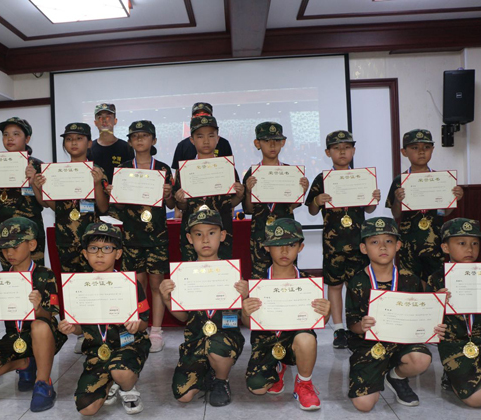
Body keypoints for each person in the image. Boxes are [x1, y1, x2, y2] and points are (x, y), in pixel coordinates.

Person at [0, 218, 66, 412]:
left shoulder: (45, 274)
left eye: (15, 246)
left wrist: (38, 308)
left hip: (45, 336)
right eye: (4, 248)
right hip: (14, 337)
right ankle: (25, 363)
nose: (9, 253)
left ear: (31, 245)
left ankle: (43, 383)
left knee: (39, 325)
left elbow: (51, 316)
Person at [346, 217, 446, 412]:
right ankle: (373, 372)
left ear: (398, 245)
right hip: (369, 346)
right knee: (364, 405)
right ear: (364, 248)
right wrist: (361, 326)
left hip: (403, 343)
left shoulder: (410, 279)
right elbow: (352, 324)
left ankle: (396, 376)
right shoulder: (357, 282)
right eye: (374, 242)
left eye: (389, 241)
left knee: (421, 359)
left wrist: (432, 324)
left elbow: (420, 315)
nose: (383, 247)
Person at [58, 223, 150, 415]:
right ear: (85, 253)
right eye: (93, 248)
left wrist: (136, 325)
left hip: (128, 345)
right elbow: (79, 327)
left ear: (118, 253)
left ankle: (127, 389)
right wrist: (71, 328)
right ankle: (111, 382)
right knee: (86, 408)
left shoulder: (129, 283)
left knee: (121, 370)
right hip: (97, 350)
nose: (99, 254)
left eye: (107, 248)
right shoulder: (77, 286)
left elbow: (144, 323)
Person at [159, 209, 247, 407]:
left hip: (225, 339)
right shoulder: (183, 274)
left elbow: (246, 319)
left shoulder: (231, 273)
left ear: (222, 236)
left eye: (211, 233)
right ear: (190, 239)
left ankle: (221, 380)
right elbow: (183, 318)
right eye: (198, 234)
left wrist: (245, 298)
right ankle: (208, 371)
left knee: (217, 347)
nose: (205, 239)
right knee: (183, 395)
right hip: (196, 340)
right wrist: (166, 299)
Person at [34, 122, 109, 354]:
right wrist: (37, 187)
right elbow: (50, 205)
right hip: (65, 238)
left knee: (94, 286)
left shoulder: (98, 171)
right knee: (73, 287)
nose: (73, 143)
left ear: (89, 142)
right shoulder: (56, 172)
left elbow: (103, 207)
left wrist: (97, 183)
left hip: (92, 241)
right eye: (68, 139)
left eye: (79, 138)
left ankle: (99, 330)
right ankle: (81, 332)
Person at [242, 218, 330, 410]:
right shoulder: (257, 283)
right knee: (257, 388)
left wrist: (326, 312)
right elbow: (248, 323)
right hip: (266, 342)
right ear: (267, 247)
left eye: (291, 245)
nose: (284, 251)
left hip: (294, 340)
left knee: (307, 339)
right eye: (277, 245)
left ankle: (304, 383)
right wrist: (245, 312)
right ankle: (278, 368)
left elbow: (319, 319)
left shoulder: (308, 282)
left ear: (300, 247)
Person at [305, 130, 380, 349]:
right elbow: (311, 211)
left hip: (358, 243)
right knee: (335, 285)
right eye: (337, 148)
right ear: (328, 152)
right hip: (333, 244)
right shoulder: (322, 179)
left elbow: (369, 208)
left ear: (353, 150)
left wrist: (374, 199)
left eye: (347, 147)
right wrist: (317, 201)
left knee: (358, 285)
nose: (342, 152)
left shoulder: (362, 178)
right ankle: (339, 329)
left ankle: (357, 326)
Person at [107, 120, 175, 352]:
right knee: (137, 285)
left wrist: (168, 194)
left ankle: (156, 331)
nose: (139, 139)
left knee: (156, 285)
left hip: (157, 237)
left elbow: (172, 204)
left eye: (144, 135)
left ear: (153, 140)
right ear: (129, 142)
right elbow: (117, 208)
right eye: (135, 136)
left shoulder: (163, 169)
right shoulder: (123, 169)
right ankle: (140, 329)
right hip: (131, 238)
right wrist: (113, 194)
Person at [427, 218, 481, 407]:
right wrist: (437, 302)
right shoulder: (437, 279)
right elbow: (428, 323)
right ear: (445, 247)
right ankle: (452, 376)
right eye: (462, 243)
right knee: (478, 400)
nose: (470, 249)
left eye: (475, 243)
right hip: (454, 346)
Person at [386, 129, 464, 283]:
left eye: (426, 147)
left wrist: (455, 198)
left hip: (434, 241)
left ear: (432, 150)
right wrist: (398, 200)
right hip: (409, 243)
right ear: (404, 152)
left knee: (434, 282)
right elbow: (396, 214)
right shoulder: (399, 180)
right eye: (415, 148)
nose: (421, 152)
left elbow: (444, 213)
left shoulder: (441, 179)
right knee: (410, 283)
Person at [0, 117, 47, 270]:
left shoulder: (37, 165)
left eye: (16, 134)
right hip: (4, 233)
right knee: (10, 275)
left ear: (27, 138)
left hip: (31, 233)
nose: (10, 138)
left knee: (35, 274)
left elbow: (45, 203)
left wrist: (34, 182)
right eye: (5, 134)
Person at [242, 122, 309, 279]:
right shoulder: (252, 173)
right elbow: (249, 209)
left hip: (287, 236)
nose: (272, 145)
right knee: (260, 278)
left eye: (277, 140)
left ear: (283, 143)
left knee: (287, 276)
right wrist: (248, 191)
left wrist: (302, 191)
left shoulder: (290, 172)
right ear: (257, 143)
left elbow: (293, 205)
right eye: (266, 141)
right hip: (260, 234)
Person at [173, 116, 244, 261]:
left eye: (211, 136)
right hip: (193, 233)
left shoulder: (226, 168)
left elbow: (231, 203)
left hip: (221, 232)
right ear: (192, 140)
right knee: (192, 271)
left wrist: (240, 195)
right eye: (200, 136)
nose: (206, 141)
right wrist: (180, 201)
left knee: (221, 270)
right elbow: (182, 206)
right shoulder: (185, 170)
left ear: (218, 138)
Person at [170, 102, 233, 170]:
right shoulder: (182, 145)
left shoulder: (223, 143)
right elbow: (178, 172)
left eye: (205, 115)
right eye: (197, 115)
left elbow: (230, 169)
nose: (202, 118)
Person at [89, 103, 134, 184]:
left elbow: (131, 175)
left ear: (115, 121)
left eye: (108, 117)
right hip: (95, 191)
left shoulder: (126, 147)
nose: (104, 120)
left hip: (120, 191)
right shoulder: (89, 148)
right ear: (95, 123)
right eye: (100, 117)